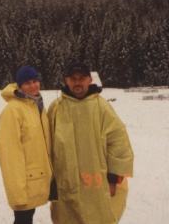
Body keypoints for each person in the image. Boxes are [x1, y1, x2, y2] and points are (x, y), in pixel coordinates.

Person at [48, 62, 134, 224]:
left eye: (82, 78)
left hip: (95, 182)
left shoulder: (101, 107)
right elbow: (47, 144)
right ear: (67, 81)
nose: (77, 82)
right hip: (65, 181)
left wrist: (113, 179)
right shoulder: (56, 108)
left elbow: (119, 143)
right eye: (73, 79)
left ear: (89, 80)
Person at [0, 65, 53, 224]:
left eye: (35, 81)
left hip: (35, 178)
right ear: (19, 86)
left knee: (27, 218)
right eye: (27, 83)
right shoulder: (12, 111)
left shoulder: (36, 107)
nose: (33, 85)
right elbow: (9, 154)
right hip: (24, 181)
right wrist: (17, 192)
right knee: (23, 220)